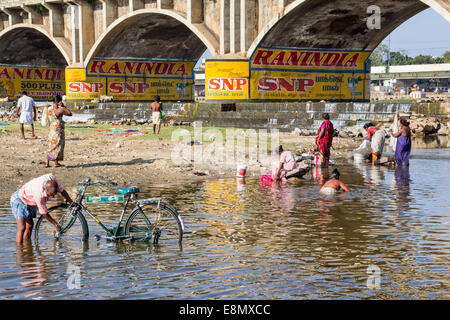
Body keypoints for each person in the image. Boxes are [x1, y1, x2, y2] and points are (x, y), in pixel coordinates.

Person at [10, 174, 76, 244]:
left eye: (54, 194)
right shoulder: (39, 194)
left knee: (30, 225)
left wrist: (71, 202)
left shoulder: (52, 179)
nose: (53, 197)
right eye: (50, 195)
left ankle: (27, 248)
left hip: (30, 200)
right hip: (19, 200)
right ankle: (20, 251)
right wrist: (55, 224)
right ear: (45, 189)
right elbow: (44, 212)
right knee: (22, 227)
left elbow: (62, 191)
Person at [46, 95, 72, 167]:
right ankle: (56, 163)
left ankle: (47, 163)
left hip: (52, 129)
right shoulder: (60, 110)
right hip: (58, 129)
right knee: (58, 145)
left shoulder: (49, 109)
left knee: (51, 145)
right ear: (58, 101)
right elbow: (70, 113)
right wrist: (63, 106)